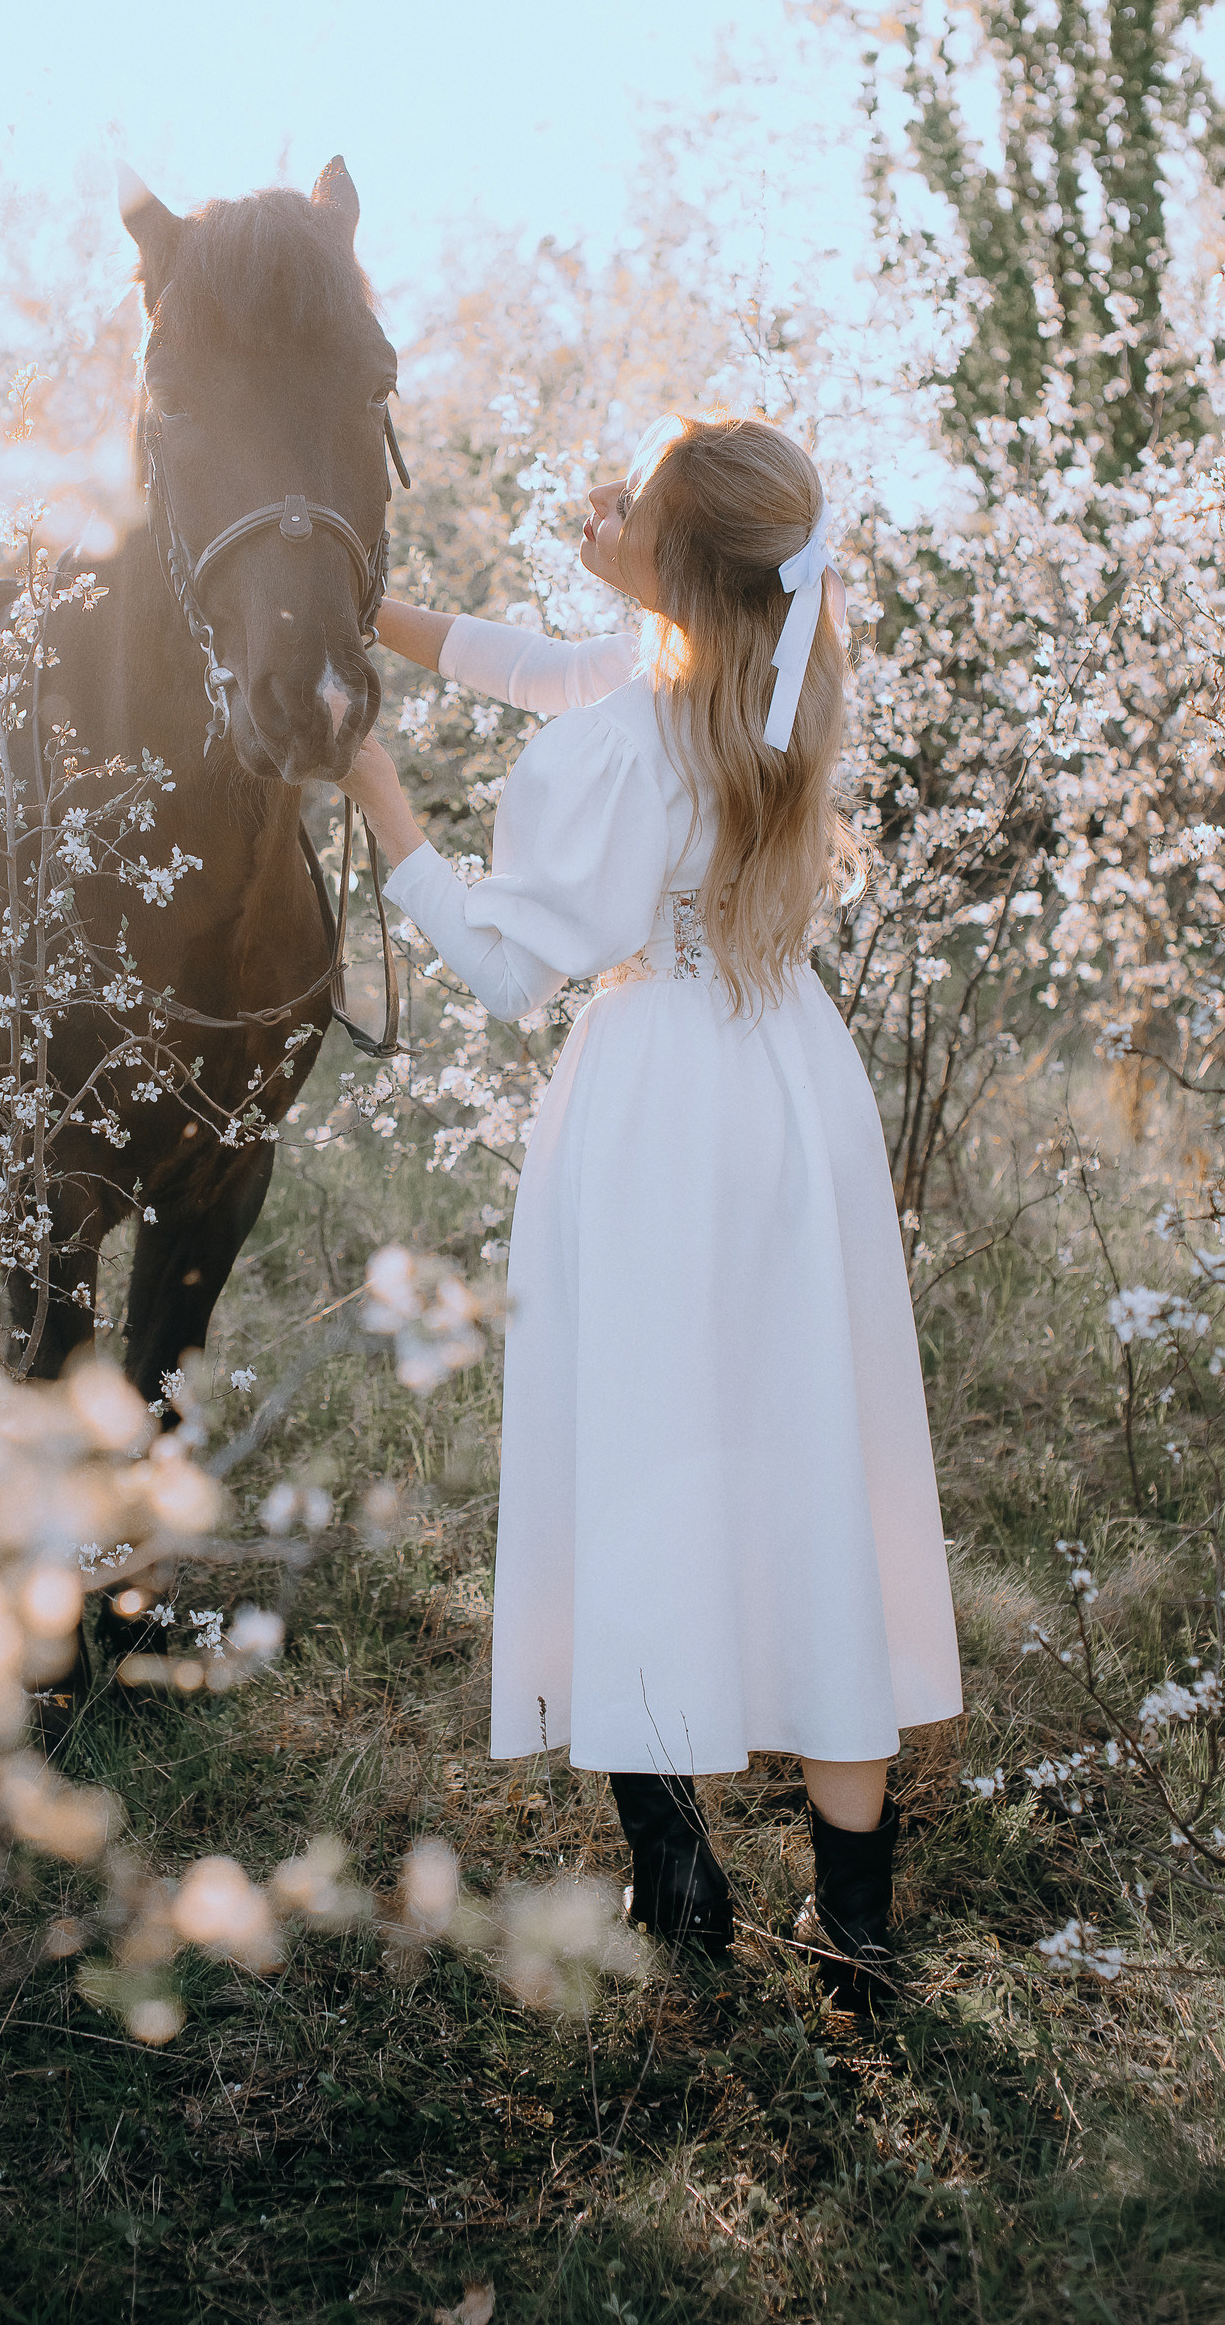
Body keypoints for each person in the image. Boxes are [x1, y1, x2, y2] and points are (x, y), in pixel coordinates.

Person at [341, 413, 962, 2011]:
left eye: (639, 522)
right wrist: (385, 622)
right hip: (793, 1094)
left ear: (679, 571)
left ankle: (676, 1867)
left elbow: (501, 970)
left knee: (646, 1443)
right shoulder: (787, 673)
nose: (602, 520)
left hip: (659, 1115)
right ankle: (859, 1927)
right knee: (805, 1451)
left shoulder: (628, 737)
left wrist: (374, 788)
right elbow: (558, 666)